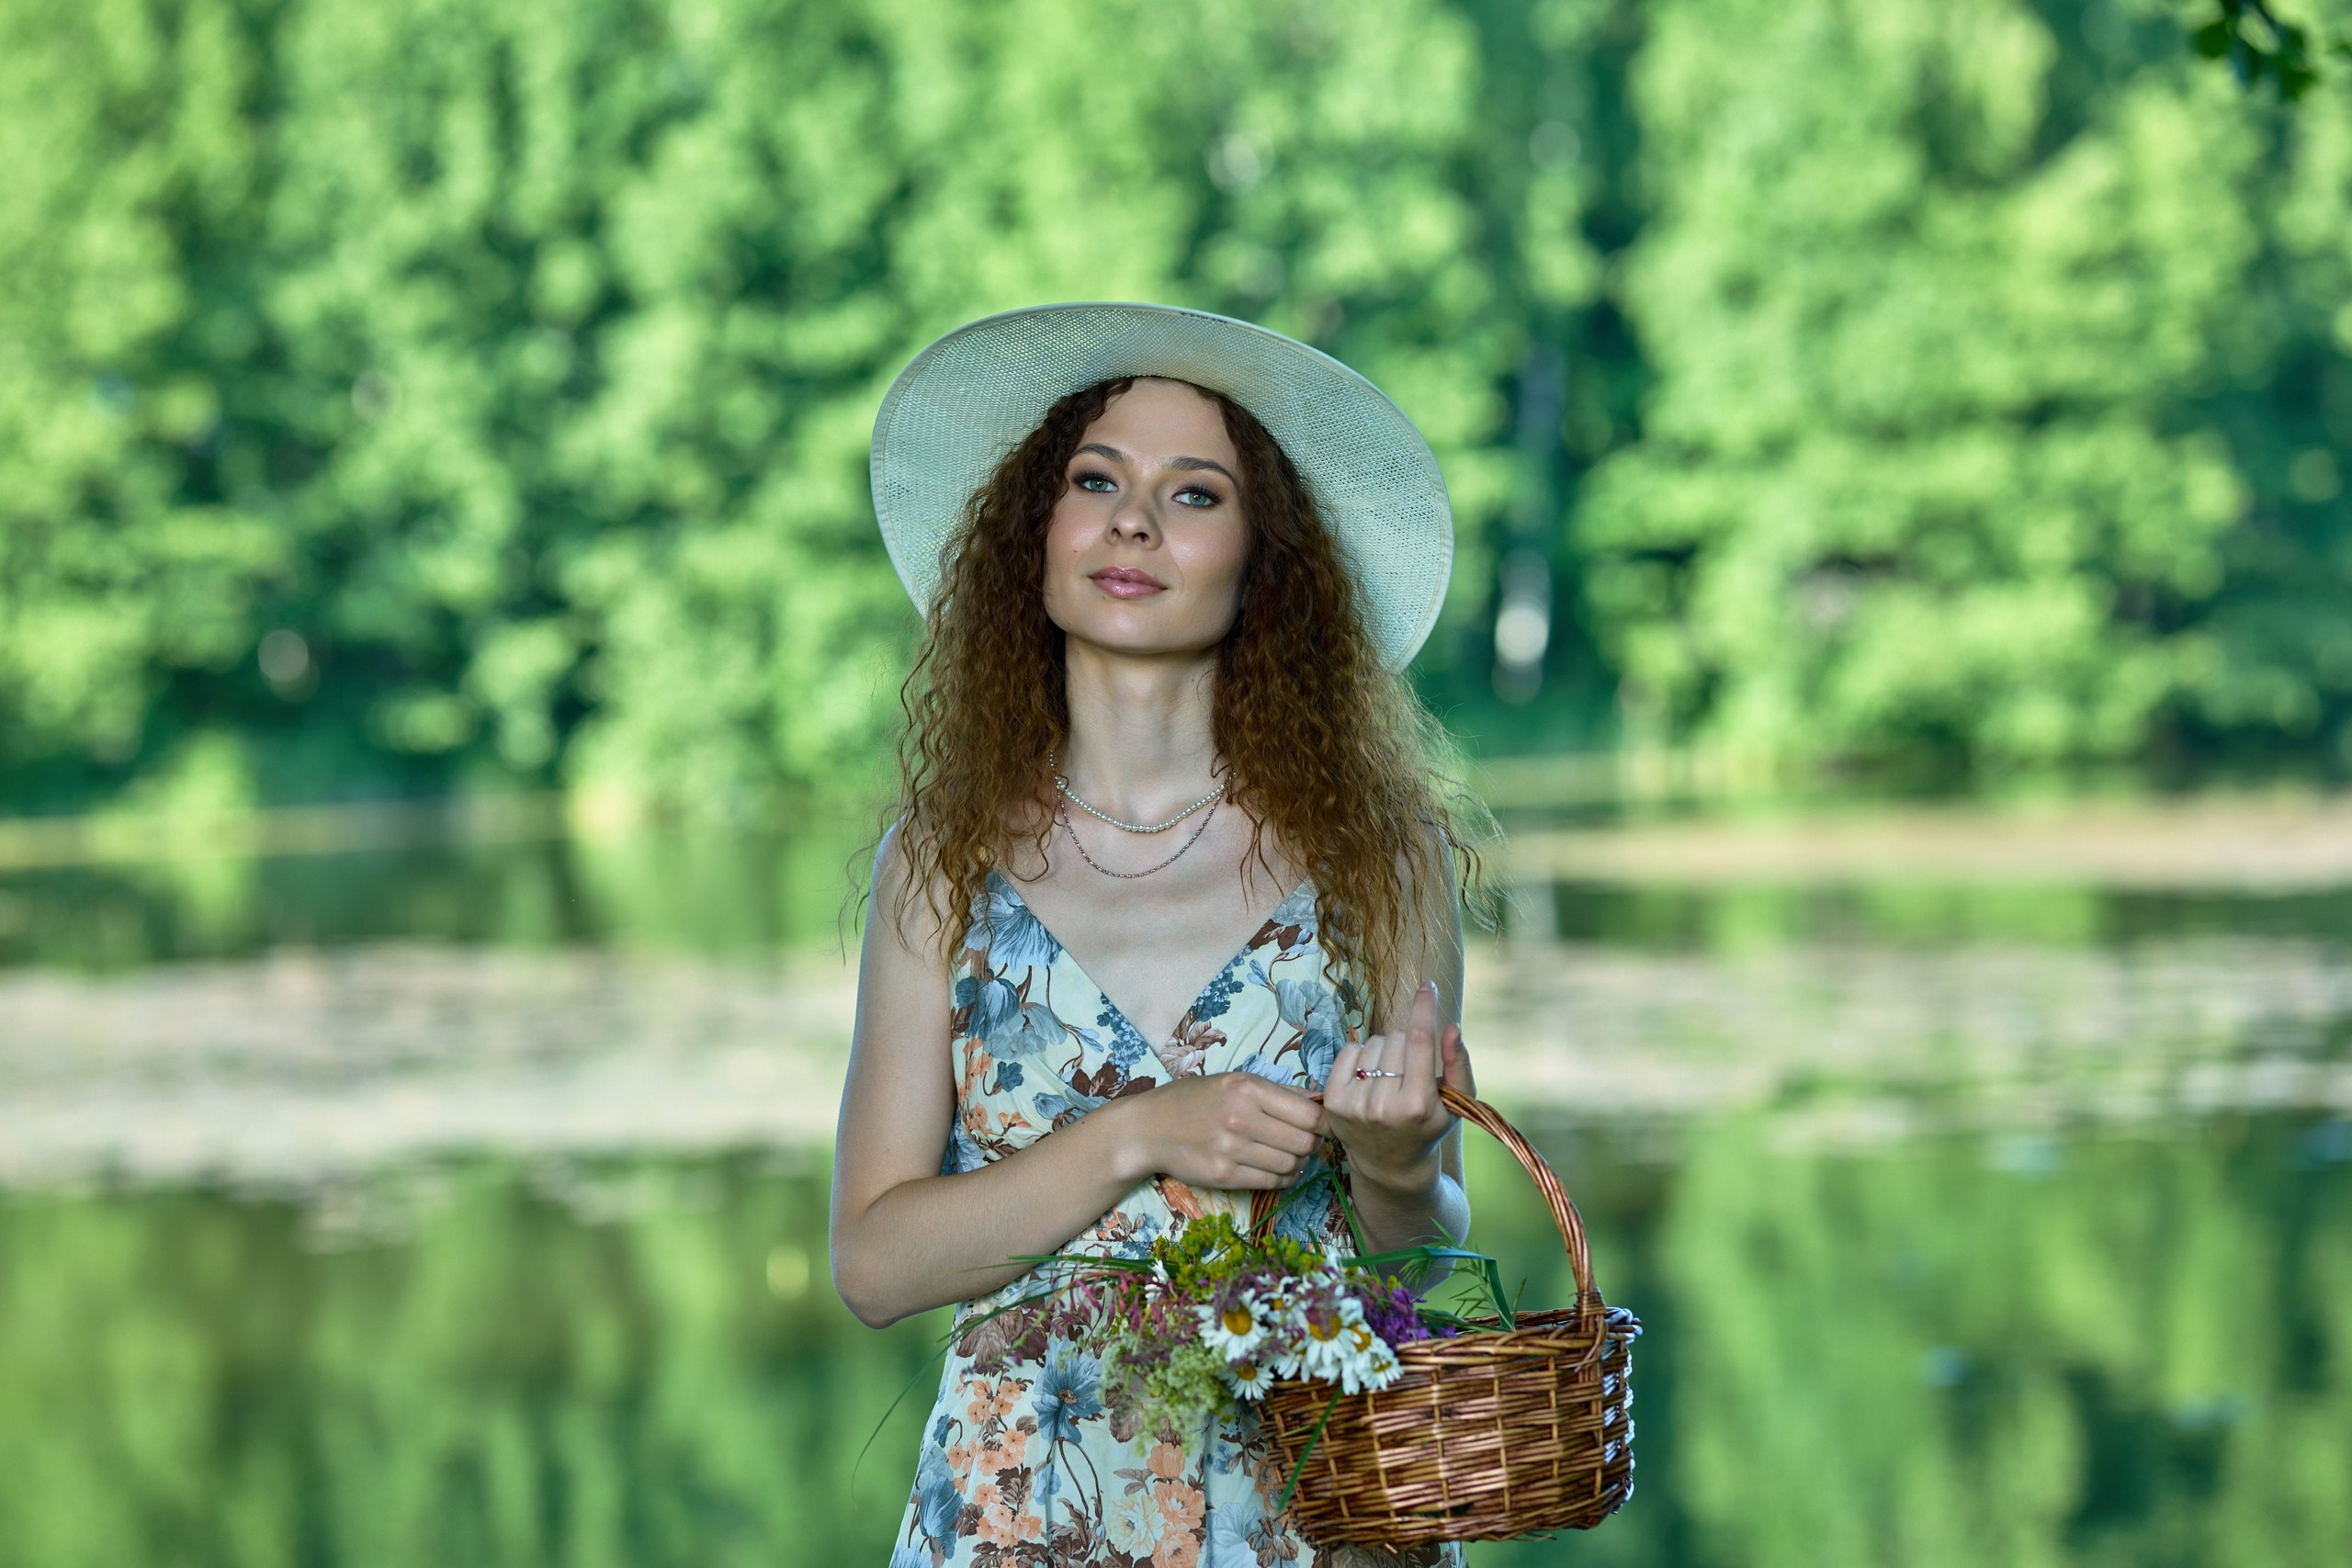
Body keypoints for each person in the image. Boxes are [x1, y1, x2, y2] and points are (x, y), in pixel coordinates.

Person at [831, 304, 1488, 1568]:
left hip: (1313, 1507)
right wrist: (1138, 1135)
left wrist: (1398, 1161)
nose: (1134, 521)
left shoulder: (1378, 849)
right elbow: (873, 1264)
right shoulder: (940, 859)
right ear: (1037, 534)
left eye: (1196, 494)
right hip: (1025, 1510)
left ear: (1265, 559)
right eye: (1096, 480)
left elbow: (1418, 1248)